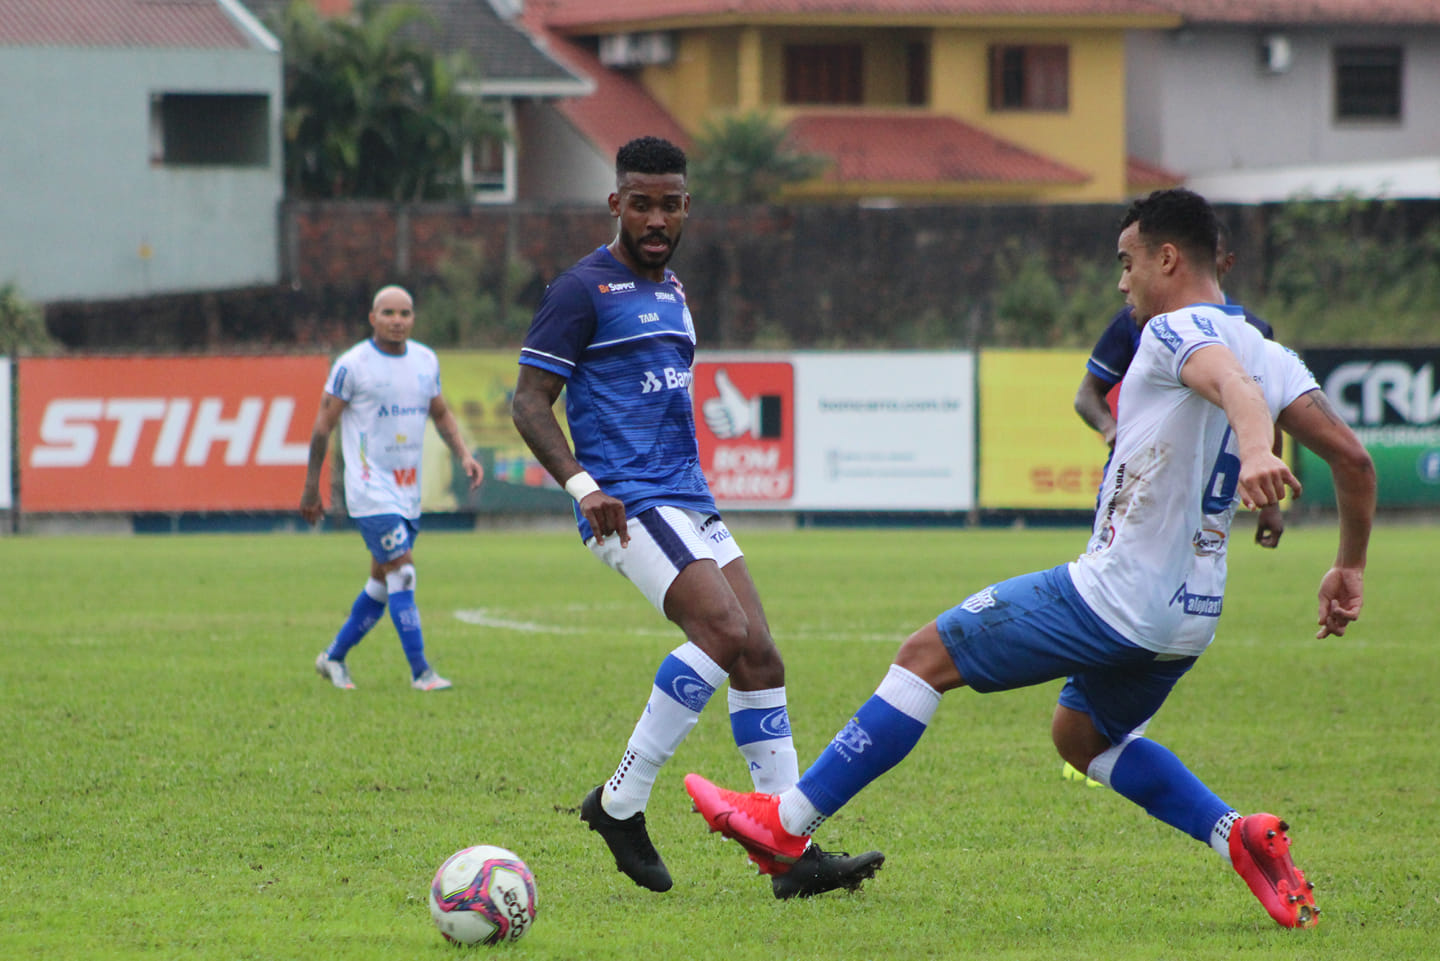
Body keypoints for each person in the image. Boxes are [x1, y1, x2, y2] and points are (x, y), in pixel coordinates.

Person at [685, 189, 1375, 929]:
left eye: (1128, 261)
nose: (1122, 282)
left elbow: (1229, 385)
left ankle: (787, 820)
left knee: (925, 656)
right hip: (1189, 619)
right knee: (1080, 736)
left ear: (1167, 258)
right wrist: (1350, 566)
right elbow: (1353, 459)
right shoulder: (1272, 353)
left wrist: (1260, 448)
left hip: (1115, 597)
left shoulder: (1177, 329)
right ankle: (1236, 834)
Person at [510, 136, 883, 900]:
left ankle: (788, 848)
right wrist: (584, 485)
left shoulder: (675, 291)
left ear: (686, 208)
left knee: (761, 660)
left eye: (669, 203)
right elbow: (527, 401)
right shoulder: (581, 290)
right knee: (723, 632)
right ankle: (620, 801)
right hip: (628, 502)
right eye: (640, 202)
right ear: (615, 203)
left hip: (688, 497)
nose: (655, 217)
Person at [301, 285, 483, 691]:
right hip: (369, 488)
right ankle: (422, 673)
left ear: (413, 318)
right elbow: (321, 429)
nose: (397, 320)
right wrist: (312, 488)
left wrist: (465, 455)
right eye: (388, 313)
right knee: (403, 572)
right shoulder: (353, 365)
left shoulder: (425, 360)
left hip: (407, 490)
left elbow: (441, 414)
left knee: (382, 583)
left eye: (404, 313)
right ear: (373, 318)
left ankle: (333, 658)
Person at [1075, 225, 1286, 548]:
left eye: (1212, 253)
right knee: (1119, 574)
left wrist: (1271, 502)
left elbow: (1265, 409)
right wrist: (1110, 429)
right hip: (1142, 482)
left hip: (1209, 489)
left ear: (1226, 263)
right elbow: (1087, 394)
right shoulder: (1139, 319)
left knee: (1194, 581)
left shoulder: (1252, 331)